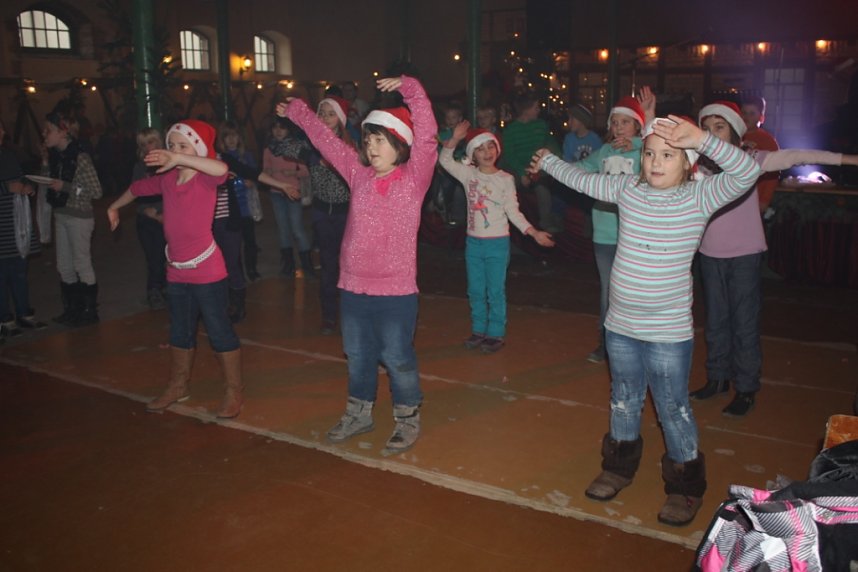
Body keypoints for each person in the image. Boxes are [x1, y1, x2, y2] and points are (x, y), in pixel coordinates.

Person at [529, 115, 761, 526]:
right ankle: (618, 468)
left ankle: (686, 487)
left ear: (688, 162)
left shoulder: (701, 195)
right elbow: (582, 180)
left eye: (668, 155)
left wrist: (702, 138)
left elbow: (746, 172)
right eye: (650, 153)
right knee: (623, 398)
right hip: (620, 325)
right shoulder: (628, 189)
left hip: (668, 332)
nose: (655, 162)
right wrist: (548, 160)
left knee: (672, 407)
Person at [279, 74, 436, 455]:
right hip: (353, 287)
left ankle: (407, 416)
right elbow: (325, 140)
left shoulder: (414, 179)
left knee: (397, 357)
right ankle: (359, 412)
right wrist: (299, 112)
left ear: (400, 144)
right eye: (368, 140)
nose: (371, 147)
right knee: (358, 354)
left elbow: (429, 135)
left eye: (380, 140)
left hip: (396, 290)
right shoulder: (358, 173)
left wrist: (410, 88)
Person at [689, 101, 858, 417]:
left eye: (720, 127)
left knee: (744, 324)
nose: (712, 134)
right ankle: (717, 378)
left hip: (744, 254)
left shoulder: (752, 159)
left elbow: (798, 156)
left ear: (735, 131)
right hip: (709, 255)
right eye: (707, 128)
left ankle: (746, 388)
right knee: (715, 322)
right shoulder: (697, 166)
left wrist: (849, 159)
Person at [106, 120, 244, 419]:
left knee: (219, 331)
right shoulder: (167, 180)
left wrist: (179, 157)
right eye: (172, 145)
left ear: (198, 149)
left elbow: (221, 169)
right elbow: (135, 189)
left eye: (183, 145)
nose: (174, 150)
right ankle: (178, 385)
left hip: (208, 272)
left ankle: (234, 391)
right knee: (180, 331)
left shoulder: (206, 178)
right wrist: (114, 206)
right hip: (177, 272)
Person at [439, 121, 554, 353]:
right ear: (473, 154)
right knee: (475, 289)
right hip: (474, 243)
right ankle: (478, 330)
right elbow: (445, 160)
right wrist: (455, 139)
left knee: (495, 290)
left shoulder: (505, 179)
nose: (486, 152)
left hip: (497, 244)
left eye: (490, 146)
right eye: (480, 149)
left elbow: (513, 211)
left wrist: (533, 232)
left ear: (498, 150)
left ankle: (495, 333)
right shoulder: (468, 175)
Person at [571, 95, 646, 363]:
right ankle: (606, 343)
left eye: (626, 122)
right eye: (615, 122)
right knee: (608, 291)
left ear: (637, 126)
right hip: (604, 232)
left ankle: (636, 342)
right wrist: (550, 165)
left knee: (634, 291)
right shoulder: (603, 152)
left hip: (634, 235)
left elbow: (664, 155)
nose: (619, 127)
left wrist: (639, 144)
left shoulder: (645, 152)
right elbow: (578, 169)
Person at [41, 110, 103, 327]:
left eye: (48, 130)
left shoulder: (80, 157)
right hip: (61, 214)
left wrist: (66, 186)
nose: (44, 134)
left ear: (63, 132)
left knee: (81, 263)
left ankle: (89, 311)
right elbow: (48, 185)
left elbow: (96, 191)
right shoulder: (55, 156)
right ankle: (72, 309)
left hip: (79, 217)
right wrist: (45, 164)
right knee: (64, 265)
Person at [311, 95, 353, 335]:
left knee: (347, 265)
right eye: (321, 113)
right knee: (328, 265)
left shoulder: (349, 146)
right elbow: (280, 146)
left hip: (345, 213)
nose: (325, 118)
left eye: (331, 114)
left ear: (341, 119)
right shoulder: (311, 143)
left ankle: (350, 314)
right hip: (321, 212)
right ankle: (328, 315)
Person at [0, 118, 45, 338]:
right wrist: (6, 188)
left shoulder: (8, 155)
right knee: (2, 275)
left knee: (19, 272)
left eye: (1, 128)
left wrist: (27, 186)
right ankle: (5, 318)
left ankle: (24, 312)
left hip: (15, 223)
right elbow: (9, 185)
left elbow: (20, 178)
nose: (2, 133)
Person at [499, 93, 563, 232]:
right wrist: (522, 173)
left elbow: (551, 143)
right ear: (526, 110)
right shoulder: (511, 130)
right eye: (536, 107)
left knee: (542, 188)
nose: (539, 110)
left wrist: (558, 159)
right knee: (508, 185)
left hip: (538, 168)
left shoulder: (541, 125)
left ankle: (546, 222)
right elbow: (510, 155)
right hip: (517, 169)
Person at [261, 117, 313, 278]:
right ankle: (288, 265)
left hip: (293, 192)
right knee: (283, 230)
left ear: (288, 130)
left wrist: (292, 172)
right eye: (275, 128)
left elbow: (305, 171)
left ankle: (307, 265)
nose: (278, 131)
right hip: (276, 193)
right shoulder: (269, 149)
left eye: (282, 128)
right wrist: (268, 173)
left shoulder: (295, 147)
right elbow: (265, 170)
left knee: (297, 229)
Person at [131, 128, 168, 310]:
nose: (147, 147)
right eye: (143, 144)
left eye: (151, 142)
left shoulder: (168, 164)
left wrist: (160, 211)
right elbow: (134, 192)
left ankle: (160, 288)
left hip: (165, 217)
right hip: (145, 219)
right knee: (152, 256)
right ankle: (155, 290)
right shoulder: (140, 167)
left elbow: (172, 191)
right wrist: (146, 210)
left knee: (161, 255)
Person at [741, 95, 780, 213]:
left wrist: (764, 200)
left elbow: (774, 173)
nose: (746, 117)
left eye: (752, 114)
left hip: (756, 197)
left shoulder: (768, 141)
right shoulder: (733, 136)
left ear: (761, 118)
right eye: (744, 113)